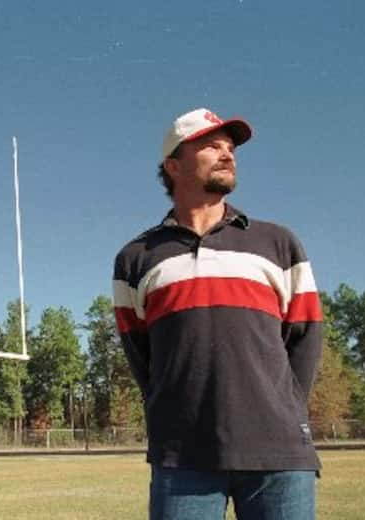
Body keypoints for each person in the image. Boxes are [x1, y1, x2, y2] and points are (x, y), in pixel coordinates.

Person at [112, 108, 323, 520]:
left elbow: (306, 336)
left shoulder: (278, 242)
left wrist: (282, 410)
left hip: (278, 455)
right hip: (183, 456)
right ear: (173, 165)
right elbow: (142, 355)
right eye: (211, 146)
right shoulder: (136, 258)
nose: (227, 154)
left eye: (230, 147)